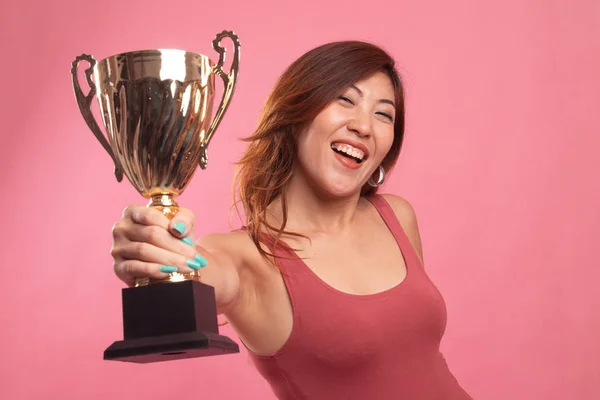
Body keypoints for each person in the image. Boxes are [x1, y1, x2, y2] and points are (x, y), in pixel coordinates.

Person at [110, 40, 473, 399]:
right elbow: (194, 274)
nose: (364, 126)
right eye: (345, 100)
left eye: (384, 114)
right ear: (295, 112)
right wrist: (155, 250)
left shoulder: (397, 216)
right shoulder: (244, 256)